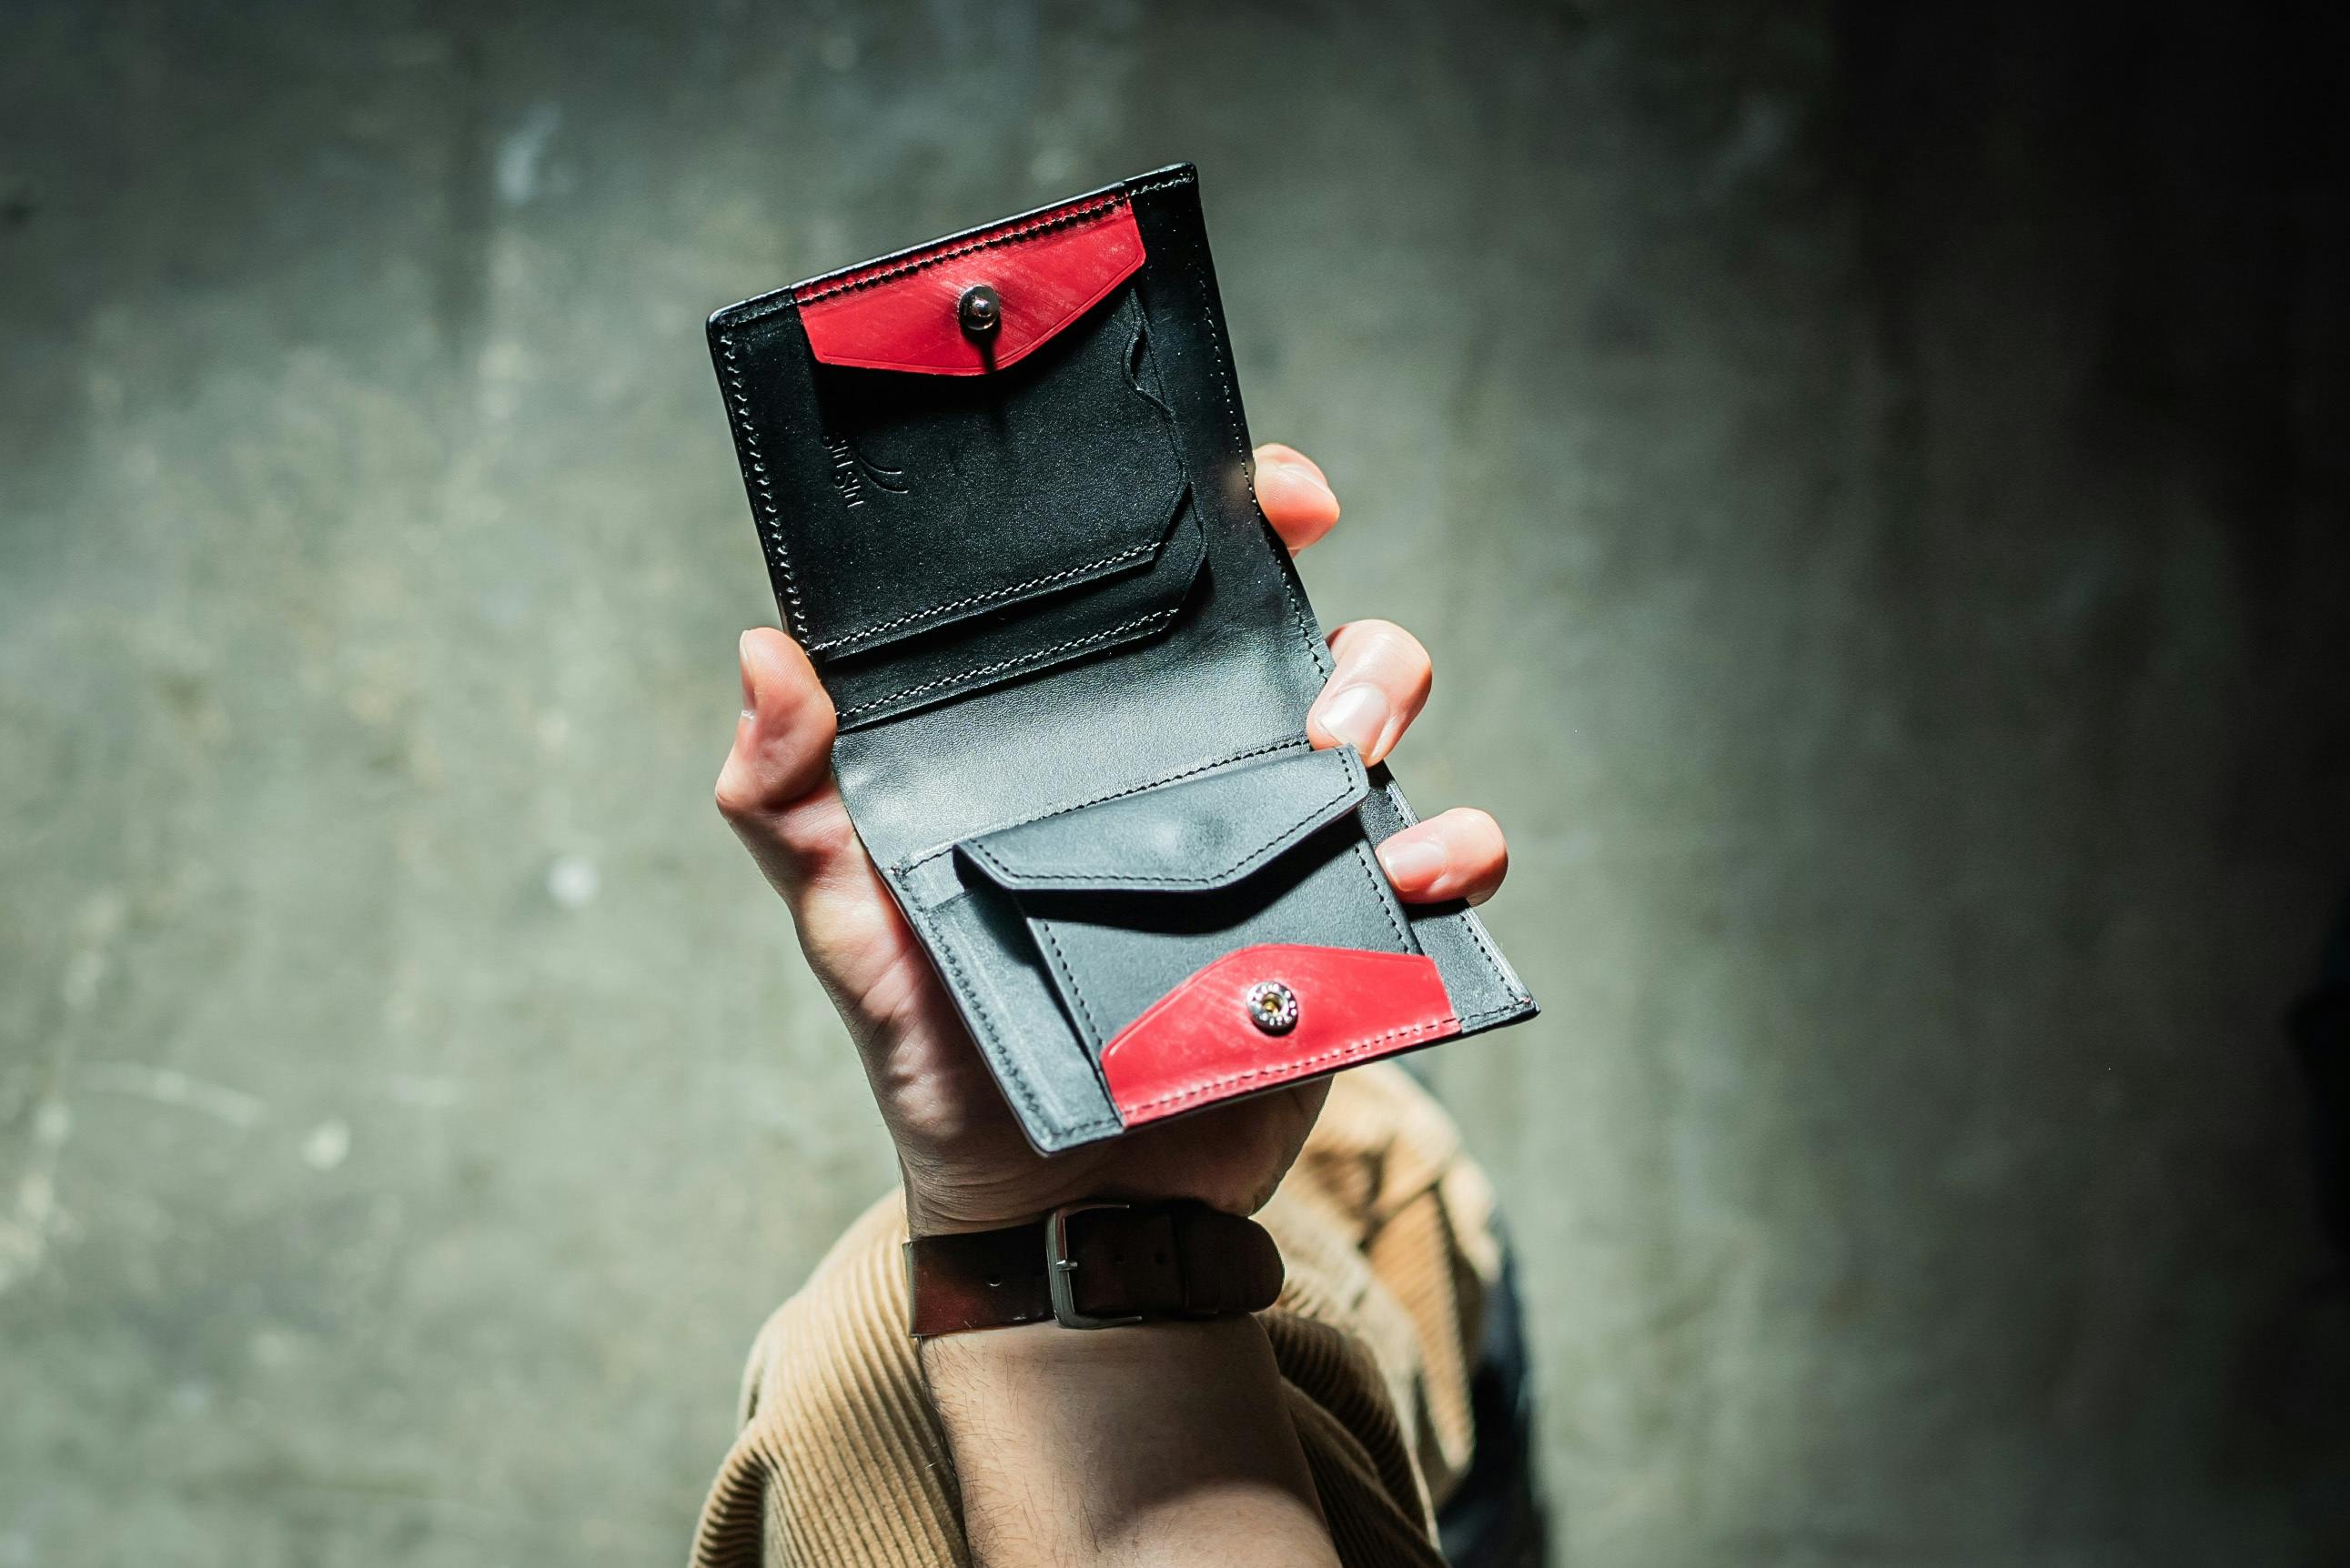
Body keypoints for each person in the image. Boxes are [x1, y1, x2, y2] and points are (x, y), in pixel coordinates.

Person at [700, 445, 1538, 1568]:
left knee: (859, 1353)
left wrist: (1031, 1214)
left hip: (1264, 1283)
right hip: (1355, 1282)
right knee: (1392, 1174)